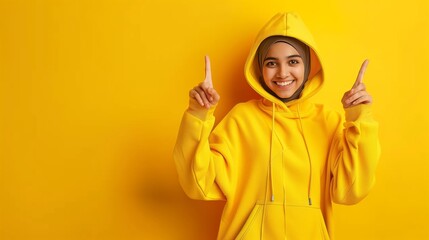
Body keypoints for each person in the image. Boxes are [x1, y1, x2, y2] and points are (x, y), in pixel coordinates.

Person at [173, 12, 380, 240]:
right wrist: (198, 114)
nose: (282, 73)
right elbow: (198, 183)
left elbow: (350, 191)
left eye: (293, 61)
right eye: (272, 63)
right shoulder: (241, 119)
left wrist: (359, 115)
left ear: (308, 66)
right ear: (260, 68)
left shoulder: (328, 121)